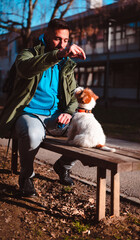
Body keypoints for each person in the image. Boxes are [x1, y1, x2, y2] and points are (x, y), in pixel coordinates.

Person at [0, 19, 86, 197]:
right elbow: (25, 69)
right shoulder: (28, 54)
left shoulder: (66, 64)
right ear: (46, 35)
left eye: (65, 40)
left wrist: (69, 113)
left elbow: (73, 95)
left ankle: (63, 166)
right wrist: (58, 55)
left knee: (85, 132)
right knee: (32, 135)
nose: (62, 44)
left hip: (55, 116)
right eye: (57, 39)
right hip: (29, 113)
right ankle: (26, 177)